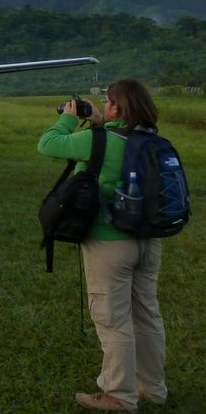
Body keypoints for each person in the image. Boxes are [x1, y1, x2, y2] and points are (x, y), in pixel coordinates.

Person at [37, 80, 168, 412]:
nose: (103, 104)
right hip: (148, 242)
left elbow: (48, 143)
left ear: (117, 108)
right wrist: (99, 121)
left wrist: (68, 117)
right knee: (147, 315)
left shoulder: (95, 140)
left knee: (113, 320)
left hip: (109, 245)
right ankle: (152, 389)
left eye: (107, 101)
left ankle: (118, 396)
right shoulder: (150, 140)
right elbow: (115, 144)